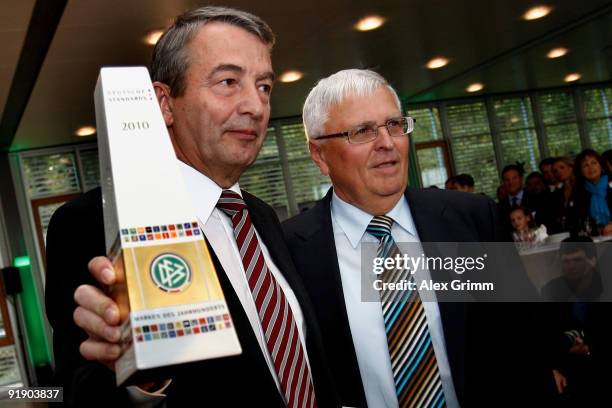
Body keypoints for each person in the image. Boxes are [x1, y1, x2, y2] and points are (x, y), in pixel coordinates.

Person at [44, 7, 336, 407]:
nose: (255, 104)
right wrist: (140, 379)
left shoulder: (261, 216)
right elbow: (72, 393)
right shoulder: (90, 225)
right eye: (228, 82)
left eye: (264, 86)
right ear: (164, 103)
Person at [282, 69, 546, 407]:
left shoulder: (471, 221)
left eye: (394, 125)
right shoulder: (291, 251)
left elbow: (521, 340)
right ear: (319, 155)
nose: (387, 143)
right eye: (363, 131)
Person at [571, 149, 612, 236]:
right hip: (594, 239)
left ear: (601, 165)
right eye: (585, 165)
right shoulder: (579, 192)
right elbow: (577, 222)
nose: (590, 167)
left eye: (594, 163)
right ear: (580, 171)